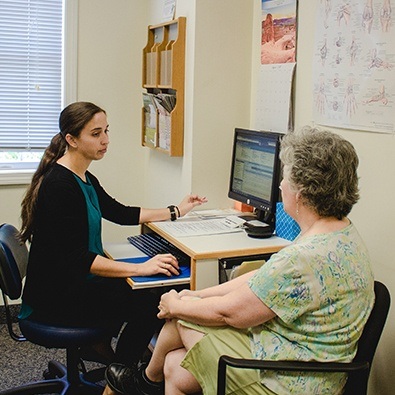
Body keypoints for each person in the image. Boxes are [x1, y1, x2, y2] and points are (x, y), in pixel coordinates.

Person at [104, 126, 375, 395]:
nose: (280, 185)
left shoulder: (301, 257)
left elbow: (231, 313)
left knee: (183, 319)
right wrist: (197, 295)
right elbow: (261, 280)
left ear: (300, 193)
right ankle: (149, 381)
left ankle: (145, 383)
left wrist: (178, 304)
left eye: (285, 178)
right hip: (309, 361)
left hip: (290, 380)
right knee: (175, 366)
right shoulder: (342, 234)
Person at [18, 101, 208, 366]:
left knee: (147, 288)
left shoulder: (81, 176)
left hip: (73, 283)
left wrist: (176, 210)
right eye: (96, 134)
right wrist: (141, 269)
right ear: (71, 139)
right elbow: (78, 258)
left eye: (106, 131)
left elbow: (120, 212)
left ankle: (100, 348)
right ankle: (122, 377)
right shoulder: (59, 186)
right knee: (148, 302)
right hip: (56, 299)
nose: (105, 140)